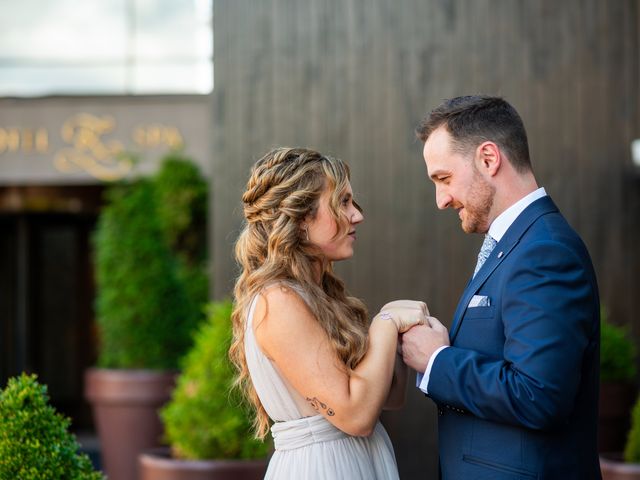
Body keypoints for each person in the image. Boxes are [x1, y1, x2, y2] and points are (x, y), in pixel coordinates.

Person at [402, 95, 601, 479]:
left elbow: (538, 395)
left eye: (444, 179)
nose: (441, 200)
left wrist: (438, 360)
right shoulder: (517, 244)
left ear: (489, 159)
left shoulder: (544, 251)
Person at [229, 147, 428, 479]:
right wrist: (385, 322)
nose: (357, 215)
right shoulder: (277, 301)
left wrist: (395, 337)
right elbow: (355, 415)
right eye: (343, 202)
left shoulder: (319, 293)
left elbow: (389, 397)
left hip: (356, 461)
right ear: (302, 218)